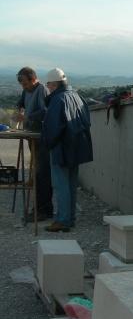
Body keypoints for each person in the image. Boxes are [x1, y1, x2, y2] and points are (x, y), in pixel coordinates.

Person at [42, 68, 93, 232]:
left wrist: (47, 144)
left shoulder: (58, 100)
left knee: (61, 185)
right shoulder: (77, 96)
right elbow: (87, 122)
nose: (48, 88)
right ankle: (69, 219)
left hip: (62, 148)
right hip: (77, 146)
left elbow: (53, 128)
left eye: (49, 85)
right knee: (71, 184)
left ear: (55, 84)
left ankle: (63, 220)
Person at [16, 66, 53, 220]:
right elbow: (21, 103)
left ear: (33, 79)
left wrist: (28, 116)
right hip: (31, 137)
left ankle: (43, 211)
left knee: (42, 174)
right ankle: (39, 209)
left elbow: (46, 111)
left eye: (25, 83)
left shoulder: (42, 90)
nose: (23, 87)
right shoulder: (27, 90)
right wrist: (18, 110)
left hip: (41, 138)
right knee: (37, 173)